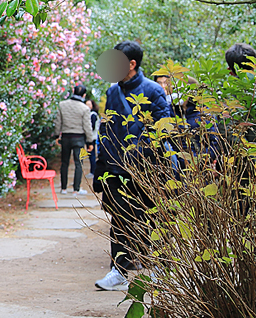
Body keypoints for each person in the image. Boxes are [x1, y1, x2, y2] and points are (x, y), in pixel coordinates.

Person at [94, 41, 172, 292]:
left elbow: (164, 128)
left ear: (132, 64)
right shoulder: (112, 92)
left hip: (147, 169)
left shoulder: (153, 91)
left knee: (154, 218)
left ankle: (160, 270)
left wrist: (138, 153)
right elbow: (106, 128)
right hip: (116, 169)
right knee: (119, 219)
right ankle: (118, 272)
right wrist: (101, 165)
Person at [53, 84, 95, 195]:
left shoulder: (62, 105)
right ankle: (76, 189)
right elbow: (87, 126)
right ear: (84, 95)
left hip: (66, 137)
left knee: (64, 163)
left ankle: (63, 188)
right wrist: (90, 142)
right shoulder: (85, 108)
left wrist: (57, 136)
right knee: (78, 163)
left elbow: (58, 122)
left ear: (73, 91)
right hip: (79, 138)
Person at [85, 99, 100, 177]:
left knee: (92, 155)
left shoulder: (93, 115)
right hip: (91, 137)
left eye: (89, 104)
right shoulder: (90, 114)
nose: (87, 106)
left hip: (92, 137)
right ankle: (92, 171)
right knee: (91, 154)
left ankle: (93, 172)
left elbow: (92, 127)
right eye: (86, 104)